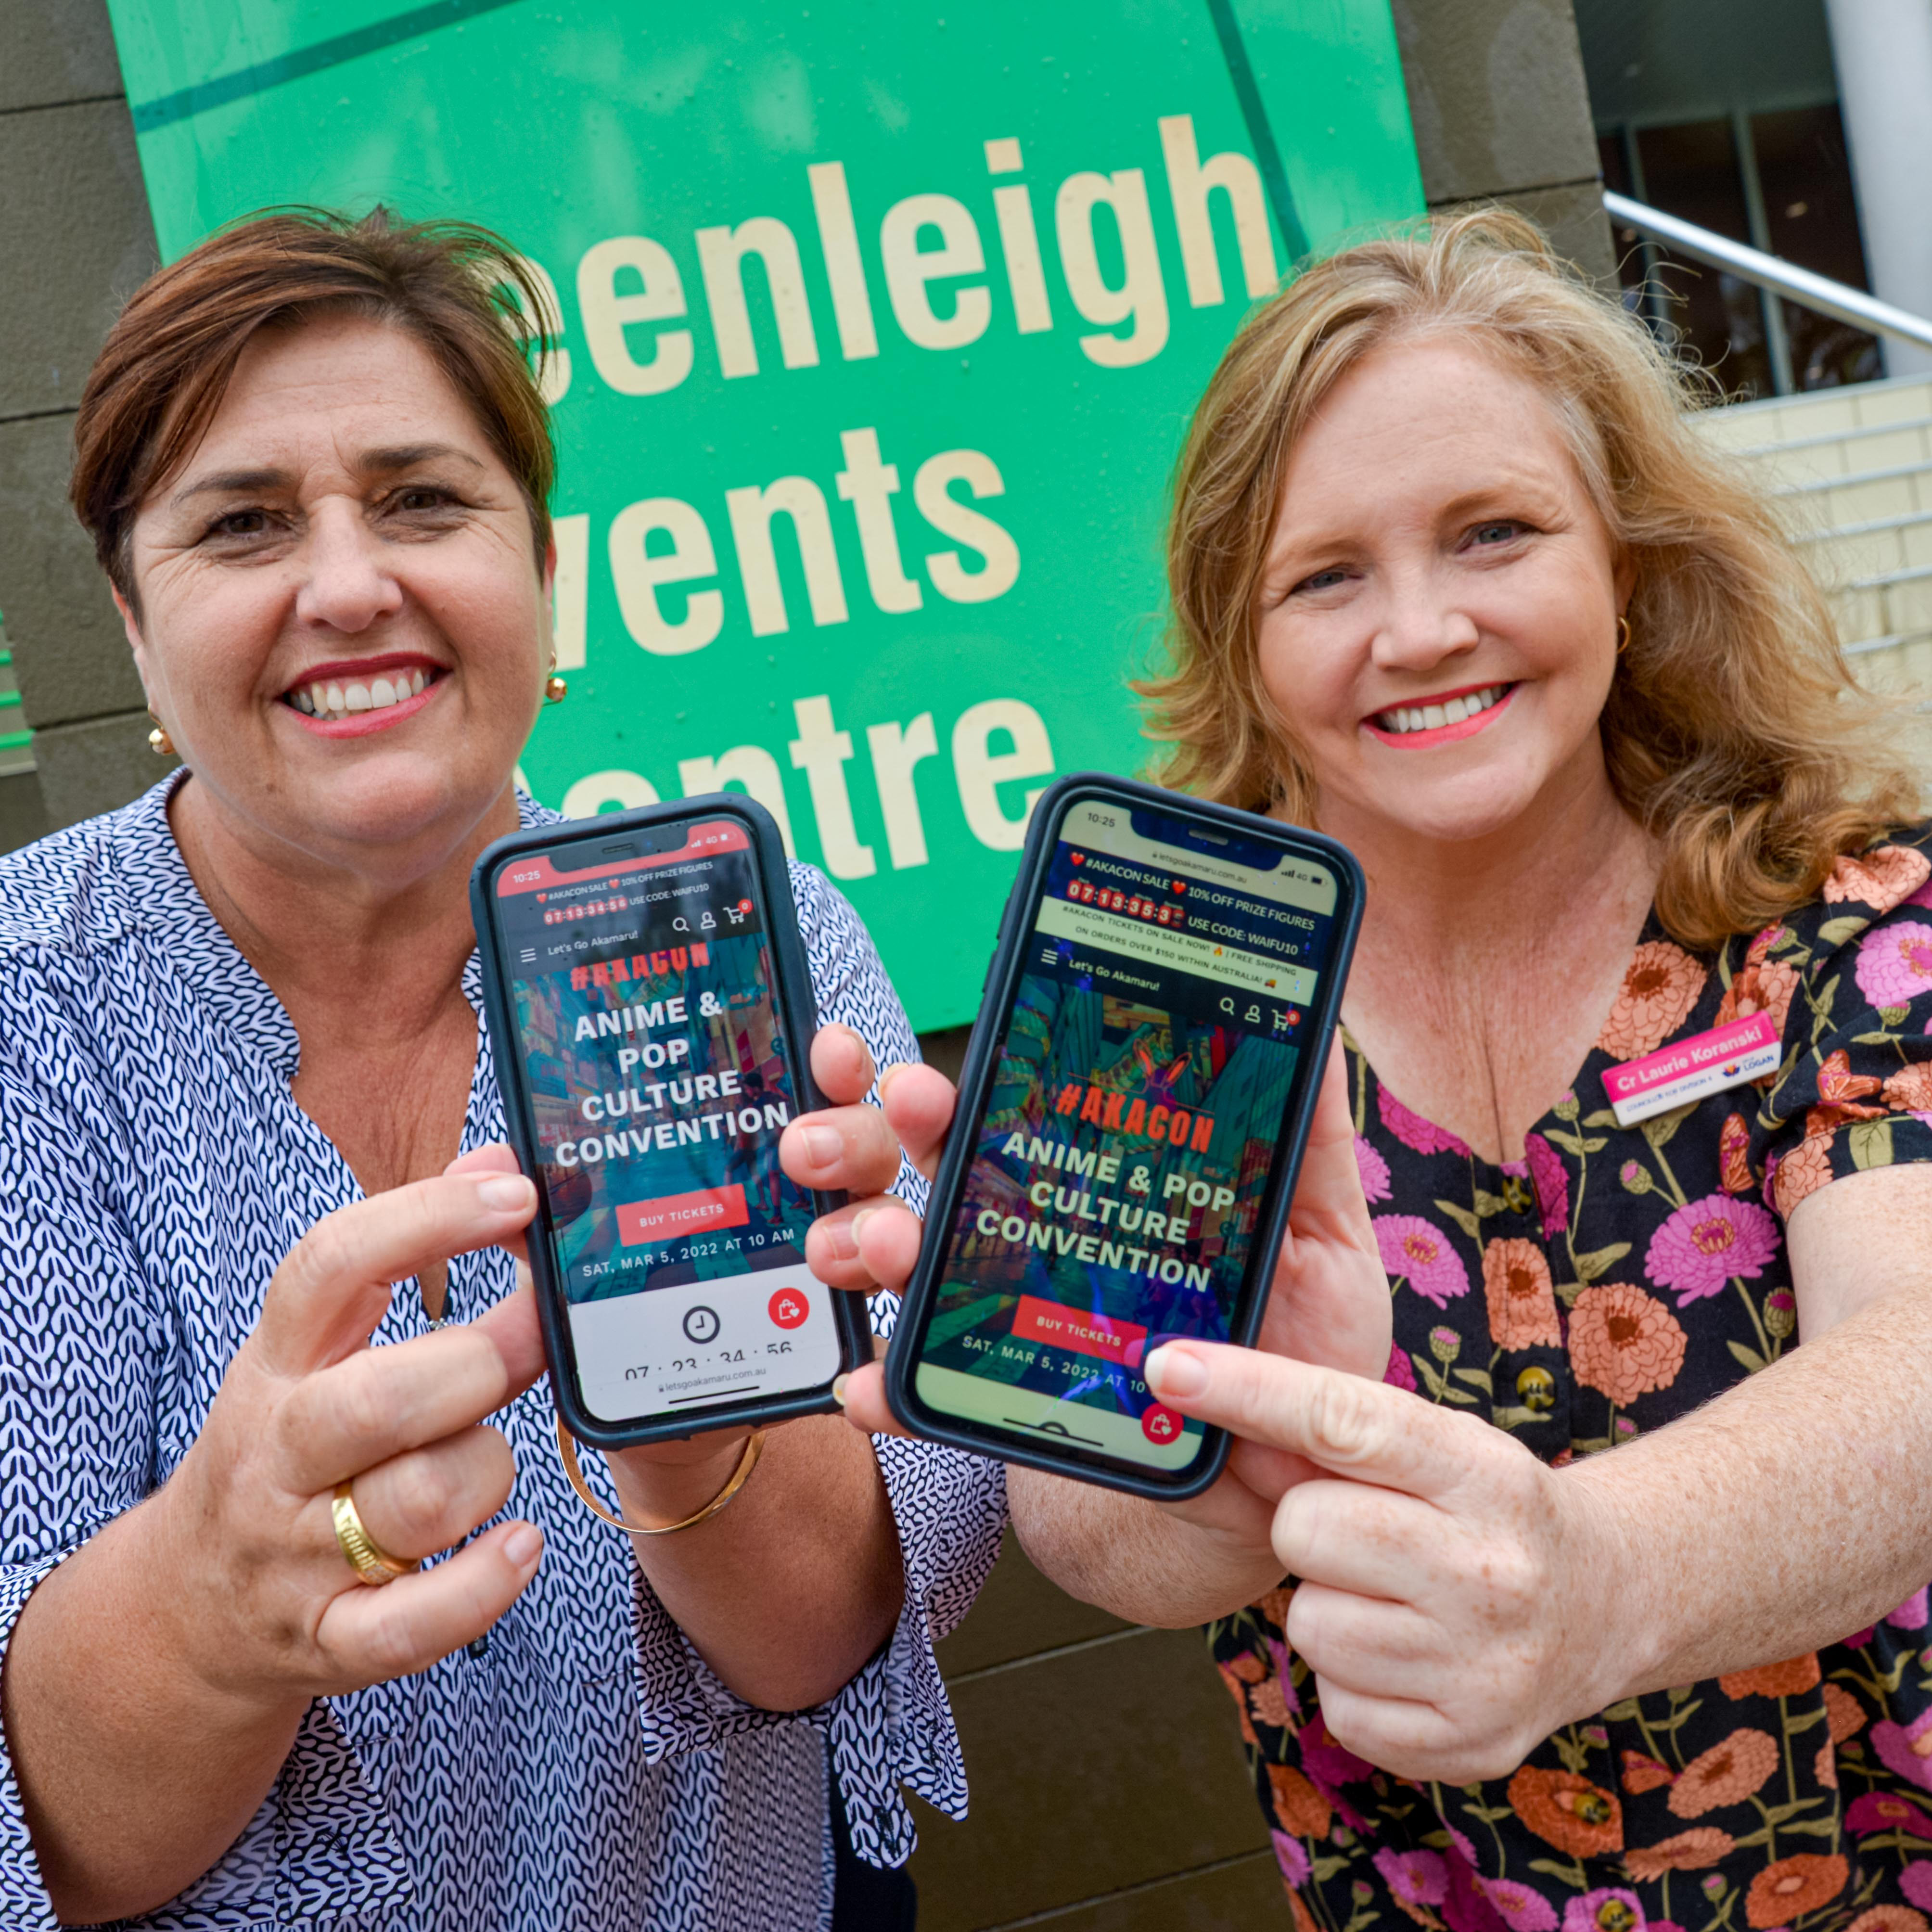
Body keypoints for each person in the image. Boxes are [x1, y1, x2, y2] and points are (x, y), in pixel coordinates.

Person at [832, 210, 1932, 1931]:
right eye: (1326, 574)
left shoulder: (1849, 919)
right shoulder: (1174, 996)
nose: (1419, 630)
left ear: (1626, 567)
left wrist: (1585, 1582)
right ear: (1245, 643)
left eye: (1494, 534)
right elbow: (1083, 1522)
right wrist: (1235, 1487)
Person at [0, 206, 1001, 1931]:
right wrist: (218, 1597)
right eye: (243, 524)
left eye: (422, 499)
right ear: (134, 625)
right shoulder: (28, 1015)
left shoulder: (745, 944)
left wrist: (687, 1437)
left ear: (544, 568)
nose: (345, 584)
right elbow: (64, 1851)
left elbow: (823, 1645)